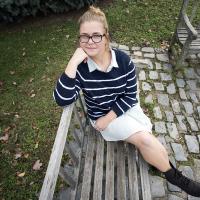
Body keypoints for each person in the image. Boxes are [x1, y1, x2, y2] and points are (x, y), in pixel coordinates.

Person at [53, 6, 200, 197]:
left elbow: (131, 95)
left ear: (106, 36)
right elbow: (62, 100)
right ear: (79, 39)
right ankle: (178, 179)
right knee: (145, 139)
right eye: (84, 36)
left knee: (150, 142)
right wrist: (72, 62)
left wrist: (112, 114)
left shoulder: (123, 60)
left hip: (125, 108)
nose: (90, 41)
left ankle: (161, 167)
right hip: (103, 120)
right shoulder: (80, 69)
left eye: (96, 35)